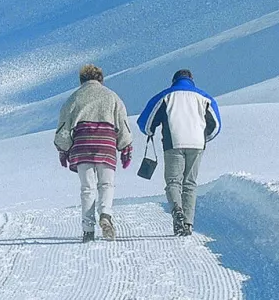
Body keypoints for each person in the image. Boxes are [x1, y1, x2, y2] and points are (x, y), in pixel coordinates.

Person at [54, 63, 134, 241]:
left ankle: (88, 229)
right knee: (106, 185)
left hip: (82, 145)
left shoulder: (74, 98)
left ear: (81, 80)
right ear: (101, 79)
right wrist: (125, 147)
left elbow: (64, 125)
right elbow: (122, 123)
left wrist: (63, 148)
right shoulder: (112, 96)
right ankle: (105, 214)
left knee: (87, 188)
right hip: (106, 143)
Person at [137, 68, 220, 236]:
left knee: (174, 182)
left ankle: (177, 211)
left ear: (174, 81)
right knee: (190, 183)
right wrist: (204, 138)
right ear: (191, 80)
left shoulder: (166, 96)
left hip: (173, 142)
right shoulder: (204, 98)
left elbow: (145, 122)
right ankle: (188, 223)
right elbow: (216, 125)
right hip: (197, 144)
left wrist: (150, 131)